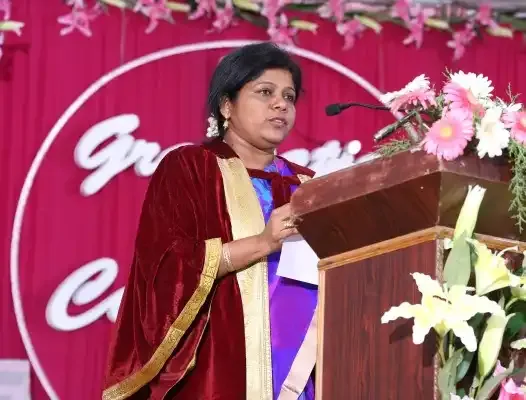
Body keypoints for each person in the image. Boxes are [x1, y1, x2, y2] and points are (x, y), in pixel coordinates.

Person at [103, 42, 318, 400]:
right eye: (265, 92)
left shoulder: (308, 185)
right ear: (226, 105)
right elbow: (165, 267)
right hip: (220, 364)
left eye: (289, 96)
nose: (281, 104)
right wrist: (262, 243)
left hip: (302, 366)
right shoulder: (190, 167)